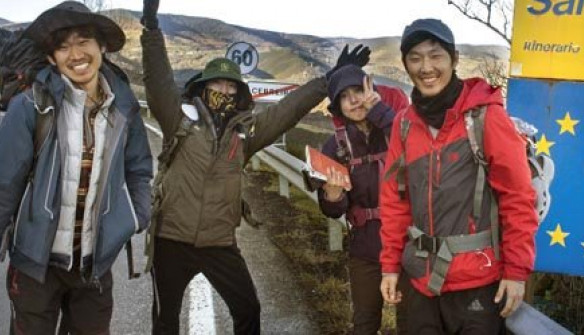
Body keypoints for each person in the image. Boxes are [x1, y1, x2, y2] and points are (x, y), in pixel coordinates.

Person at [139, 1, 369, 333]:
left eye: (231, 87)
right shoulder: (179, 122)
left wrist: (327, 80)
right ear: (203, 88)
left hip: (219, 242)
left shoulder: (245, 134)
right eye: (217, 85)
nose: (225, 91)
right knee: (164, 320)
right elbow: (157, 80)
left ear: (239, 93)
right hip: (170, 240)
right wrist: (151, 29)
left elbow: (287, 110)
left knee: (248, 309)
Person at [0, 1, 153, 333]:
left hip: (95, 268)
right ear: (51, 57)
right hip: (36, 269)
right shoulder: (30, 106)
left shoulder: (124, 107)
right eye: (62, 47)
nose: (75, 54)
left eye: (83, 42)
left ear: (101, 47)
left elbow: (139, 170)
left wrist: (134, 216)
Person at [378, 18, 539, 334]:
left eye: (435, 55)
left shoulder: (485, 116)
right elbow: (395, 203)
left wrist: (517, 271)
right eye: (415, 58)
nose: (426, 67)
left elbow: (518, 198)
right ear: (406, 65)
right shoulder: (404, 124)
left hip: (477, 282)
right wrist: (389, 266)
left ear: (454, 59)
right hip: (418, 280)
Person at [315, 64, 409, 334]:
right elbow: (333, 210)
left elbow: (416, 150)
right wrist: (332, 196)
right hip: (365, 248)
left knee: (413, 322)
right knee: (365, 323)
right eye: (344, 96)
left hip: (408, 245)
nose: (354, 100)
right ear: (337, 105)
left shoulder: (396, 126)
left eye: (358, 91)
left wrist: (382, 113)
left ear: (372, 90)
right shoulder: (335, 146)